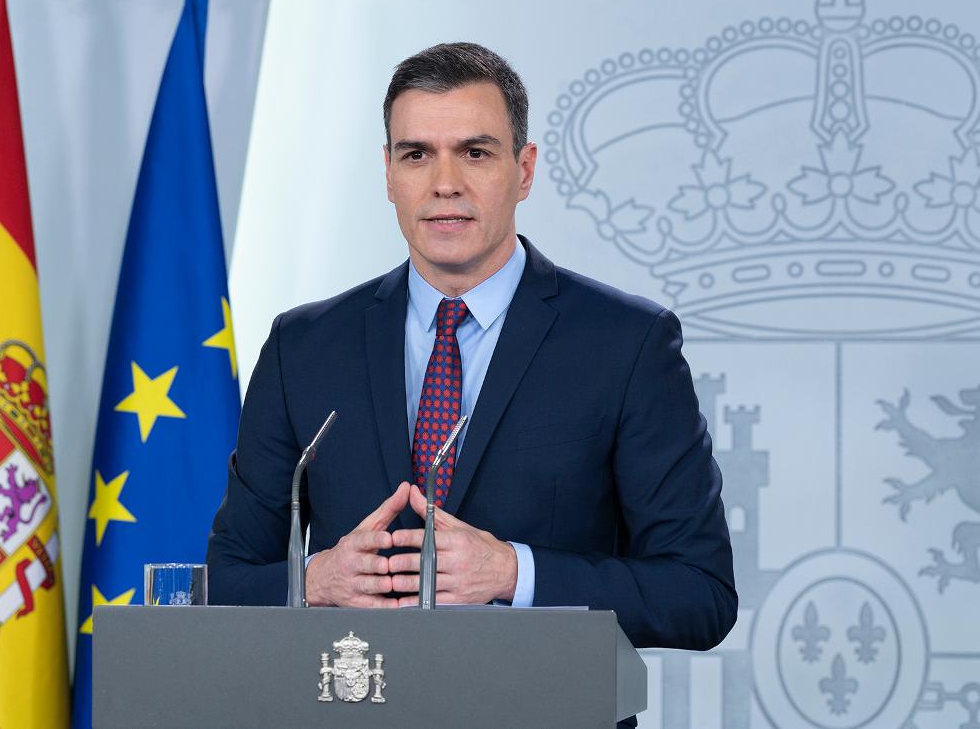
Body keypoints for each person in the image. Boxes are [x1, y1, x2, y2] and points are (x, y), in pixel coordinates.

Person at [207, 42, 737, 654]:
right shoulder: (301, 348)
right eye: (416, 155)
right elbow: (224, 583)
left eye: (475, 153)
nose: (445, 184)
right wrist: (314, 581)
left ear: (525, 170)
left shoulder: (627, 344)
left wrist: (514, 572)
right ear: (388, 173)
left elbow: (699, 593)